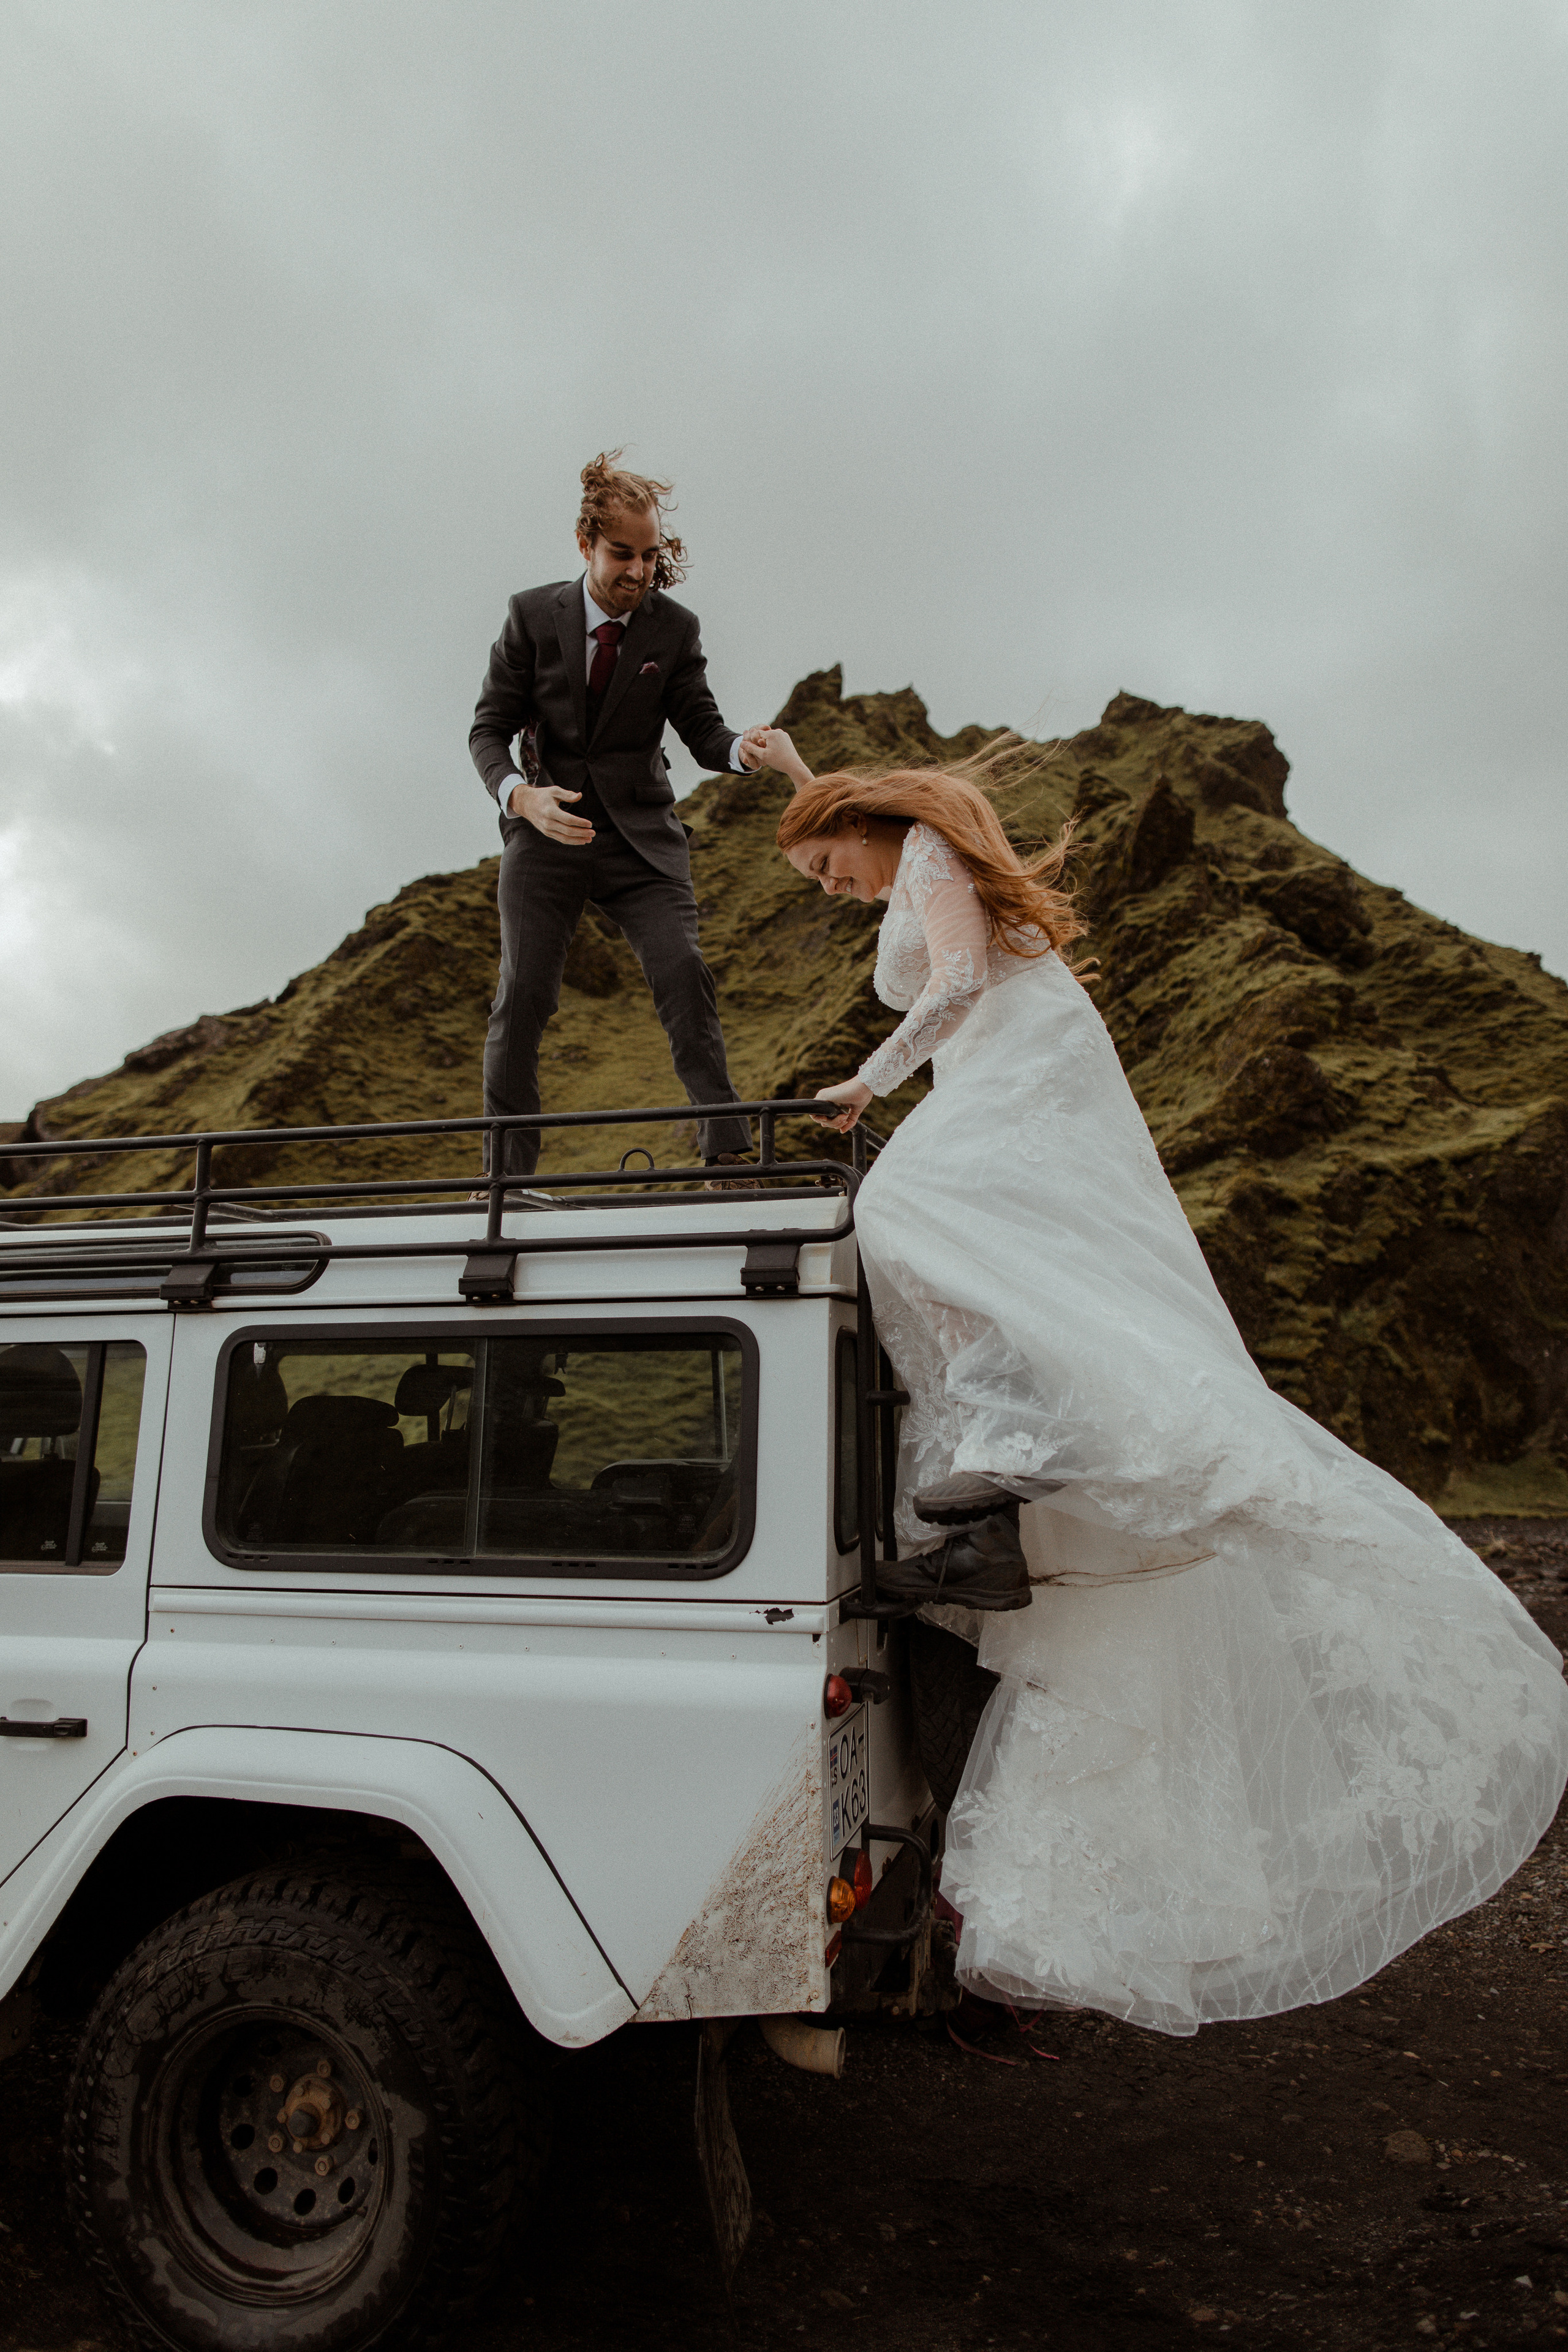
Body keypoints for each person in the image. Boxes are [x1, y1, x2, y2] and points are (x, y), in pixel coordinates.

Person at [759, 724, 1568, 2036]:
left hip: (1010, 1063)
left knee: (903, 1209)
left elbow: (956, 978)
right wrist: (794, 774)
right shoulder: (890, 843)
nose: (823, 888)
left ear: (861, 829)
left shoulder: (915, 851)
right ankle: (1012, 1429)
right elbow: (857, 849)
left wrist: (867, 1075)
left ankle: (1015, 1429)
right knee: (930, 1229)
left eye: (818, 868)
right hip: (994, 1062)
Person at [469, 453, 768, 1183]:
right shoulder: (531, 616)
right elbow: (487, 729)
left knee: (683, 971)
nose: (638, 571)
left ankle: (725, 1150)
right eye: (622, 555)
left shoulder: (674, 629)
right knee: (524, 995)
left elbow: (702, 730)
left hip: (641, 841)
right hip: (549, 833)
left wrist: (742, 750)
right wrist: (521, 796)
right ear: (586, 547)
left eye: (650, 555)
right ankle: (506, 1183)